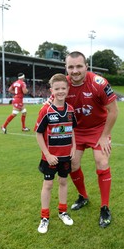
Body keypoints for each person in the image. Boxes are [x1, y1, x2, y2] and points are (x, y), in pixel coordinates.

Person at [60, 51, 118, 228]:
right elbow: (55, 110)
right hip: (76, 131)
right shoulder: (63, 84)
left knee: (101, 161)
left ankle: (105, 207)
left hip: (98, 129)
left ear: (86, 66)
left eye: (79, 66)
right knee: (73, 164)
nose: (75, 70)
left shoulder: (98, 83)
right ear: (66, 68)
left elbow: (113, 111)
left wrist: (105, 135)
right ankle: (83, 197)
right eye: (71, 67)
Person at [34, 73, 77, 234]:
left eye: (63, 88)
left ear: (67, 89)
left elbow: (72, 129)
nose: (60, 91)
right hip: (50, 157)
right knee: (48, 184)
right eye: (57, 88)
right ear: (51, 90)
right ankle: (44, 217)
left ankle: (62, 211)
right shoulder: (45, 110)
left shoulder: (71, 110)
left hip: (66, 155)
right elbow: (38, 134)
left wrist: (73, 147)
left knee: (64, 182)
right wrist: (47, 154)